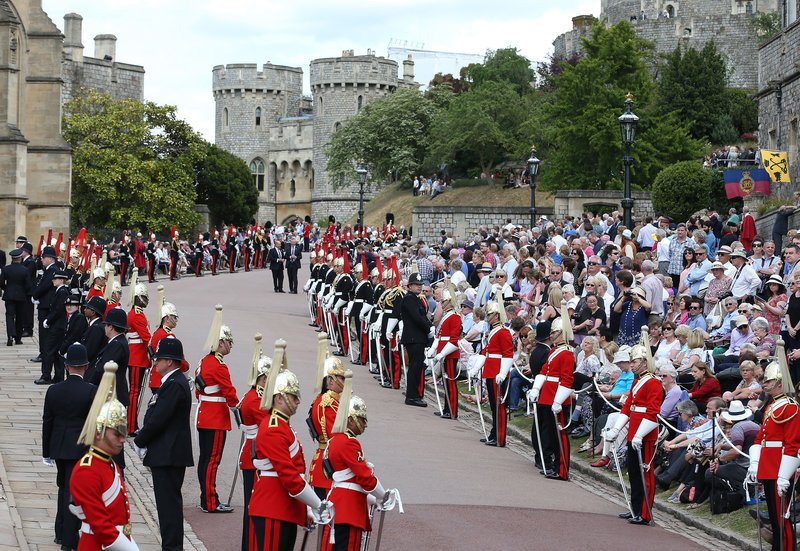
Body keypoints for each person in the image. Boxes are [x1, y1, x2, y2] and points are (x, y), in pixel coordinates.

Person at [249, 341, 331, 551]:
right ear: (279, 398)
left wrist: (307, 510)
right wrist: (316, 504)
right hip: (273, 507)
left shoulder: (282, 425)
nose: (298, 401)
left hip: (284, 508)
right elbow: (290, 478)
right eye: (293, 396)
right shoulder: (274, 427)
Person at [319, 375, 396, 550]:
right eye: (362, 419)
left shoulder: (336, 439)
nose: (365, 424)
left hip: (341, 503)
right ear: (351, 420)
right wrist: (382, 495)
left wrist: (372, 500)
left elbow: (350, 481)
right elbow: (364, 477)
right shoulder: (349, 442)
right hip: (348, 509)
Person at [133, 338, 193, 551]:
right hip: (167, 453)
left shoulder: (174, 384)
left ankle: (172, 548)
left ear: (169, 361)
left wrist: (140, 440)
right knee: (167, 507)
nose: (155, 362)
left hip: (169, 454)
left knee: (169, 509)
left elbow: (159, 418)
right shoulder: (172, 382)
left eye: (158, 358)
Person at [70, 361, 137, 550]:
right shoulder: (87, 470)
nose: (122, 439)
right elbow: (101, 525)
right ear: (98, 431)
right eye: (117, 433)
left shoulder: (109, 463)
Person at [42, 343, 96, 551]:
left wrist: (46, 453)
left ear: (66, 366)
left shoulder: (53, 390)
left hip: (58, 447)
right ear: (86, 366)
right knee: (73, 494)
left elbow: (47, 422)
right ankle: (68, 540)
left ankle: (60, 531)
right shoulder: (90, 391)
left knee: (63, 488)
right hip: (80, 449)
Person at [606, 341, 662, 525]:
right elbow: (629, 407)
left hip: (645, 435)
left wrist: (639, 434)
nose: (632, 364)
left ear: (645, 362)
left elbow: (652, 412)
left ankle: (645, 513)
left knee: (645, 474)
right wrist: (616, 429)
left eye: (635, 361)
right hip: (634, 432)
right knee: (634, 474)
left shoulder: (653, 382)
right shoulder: (638, 381)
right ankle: (635, 508)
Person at [746, 359, 800, 551]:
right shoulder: (772, 405)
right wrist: (755, 462)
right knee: (774, 516)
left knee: (781, 517)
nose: (764, 384)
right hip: (768, 465)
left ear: (779, 382)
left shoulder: (790, 407)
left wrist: (785, 475)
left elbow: (792, 444)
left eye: (768, 381)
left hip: (780, 468)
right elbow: (760, 439)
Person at [195, 306, 238, 513]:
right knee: (212, 461)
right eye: (228, 342)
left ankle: (206, 498)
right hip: (216, 419)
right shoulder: (219, 365)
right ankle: (210, 501)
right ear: (220, 343)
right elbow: (229, 393)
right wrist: (240, 411)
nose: (230, 346)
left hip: (204, 416)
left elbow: (198, 390)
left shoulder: (204, 362)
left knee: (205, 460)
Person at [529, 302, 574, 479]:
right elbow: (544, 372)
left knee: (559, 436)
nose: (552, 335)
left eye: (555, 333)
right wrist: (535, 388)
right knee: (551, 434)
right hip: (548, 395)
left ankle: (561, 469)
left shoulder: (567, 353)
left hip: (557, 397)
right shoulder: (554, 351)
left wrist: (558, 401)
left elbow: (567, 380)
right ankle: (555, 466)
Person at [235, 347, 271, 551]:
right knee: (254, 507)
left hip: (252, 452)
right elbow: (268, 426)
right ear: (263, 377)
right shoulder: (256, 399)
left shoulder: (256, 395)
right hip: (253, 455)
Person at [308, 355, 345, 498]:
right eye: (340, 378)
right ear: (330, 380)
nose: (343, 381)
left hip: (322, 460)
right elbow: (334, 436)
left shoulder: (321, 399)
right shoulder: (328, 403)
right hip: (328, 467)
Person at [400, 272, 432, 407]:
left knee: (417, 367)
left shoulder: (416, 298)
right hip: (414, 337)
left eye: (420, 285)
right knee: (414, 367)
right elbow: (417, 318)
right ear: (410, 286)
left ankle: (414, 394)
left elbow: (422, 316)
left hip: (417, 337)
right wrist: (428, 329)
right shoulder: (409, 299)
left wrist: (428, 326)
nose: (419, 287)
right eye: (416, 285)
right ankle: (412, 396)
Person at [432, 280, 463, 419]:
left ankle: (452, 410)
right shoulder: (447, 316)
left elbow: (453, 339)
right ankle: (447, 408)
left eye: (444, 302)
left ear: (449, 302)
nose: (442, 304)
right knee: (445, 382)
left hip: (450, 354)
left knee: (450, 382)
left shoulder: (455, 317)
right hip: (444, 353)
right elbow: (440, 336)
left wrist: (442, 353)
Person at [37, 270, 70, 385]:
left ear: (61, 280)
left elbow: (58, 310)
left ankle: (46, 376)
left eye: (55, 279)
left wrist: (48, 319)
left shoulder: (62, 292)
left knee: (48, 350)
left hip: (57, 325)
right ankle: (58, 377)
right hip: (58, 325)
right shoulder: (60, 291)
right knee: (56, 352)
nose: (53, 281)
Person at [126, 280, 151, 435]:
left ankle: (132, 423)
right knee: (134, 392)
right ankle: (131, 426)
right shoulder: (137, 315)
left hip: (137, 355)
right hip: (137, 357)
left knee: (135, 392)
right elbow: (146, 337)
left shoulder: (137, 313)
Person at [1, 248, 31, 346]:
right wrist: (24, 291)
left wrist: (6, 289)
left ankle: (10, 336)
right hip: (21, 296)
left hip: (9, 295)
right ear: (20, 258)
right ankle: (18, 338)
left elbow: (1, 282)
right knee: (19, 317)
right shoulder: (25, 270)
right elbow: (28, 285)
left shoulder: (6, 269)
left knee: (9, 316)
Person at [81, 296, 108, 366]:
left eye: (87, 308)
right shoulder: (96, 325)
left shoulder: (96, 328)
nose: (84, 310)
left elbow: (90, 350)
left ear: (93, 312)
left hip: (92, 366)